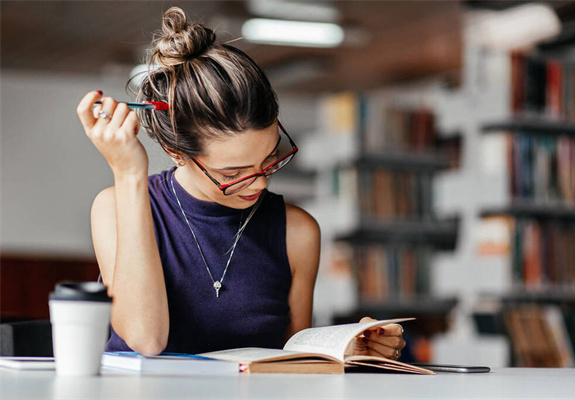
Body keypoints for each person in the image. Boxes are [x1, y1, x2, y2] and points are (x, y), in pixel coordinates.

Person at [76, 6, 405, 360]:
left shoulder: (297, 232)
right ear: (176, 151)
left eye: (269, 158)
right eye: (233, 173)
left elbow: (295, 361)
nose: (260, 183)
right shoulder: (114, 206)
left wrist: (350, 349)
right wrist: (129, 174)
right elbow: (146, 339)